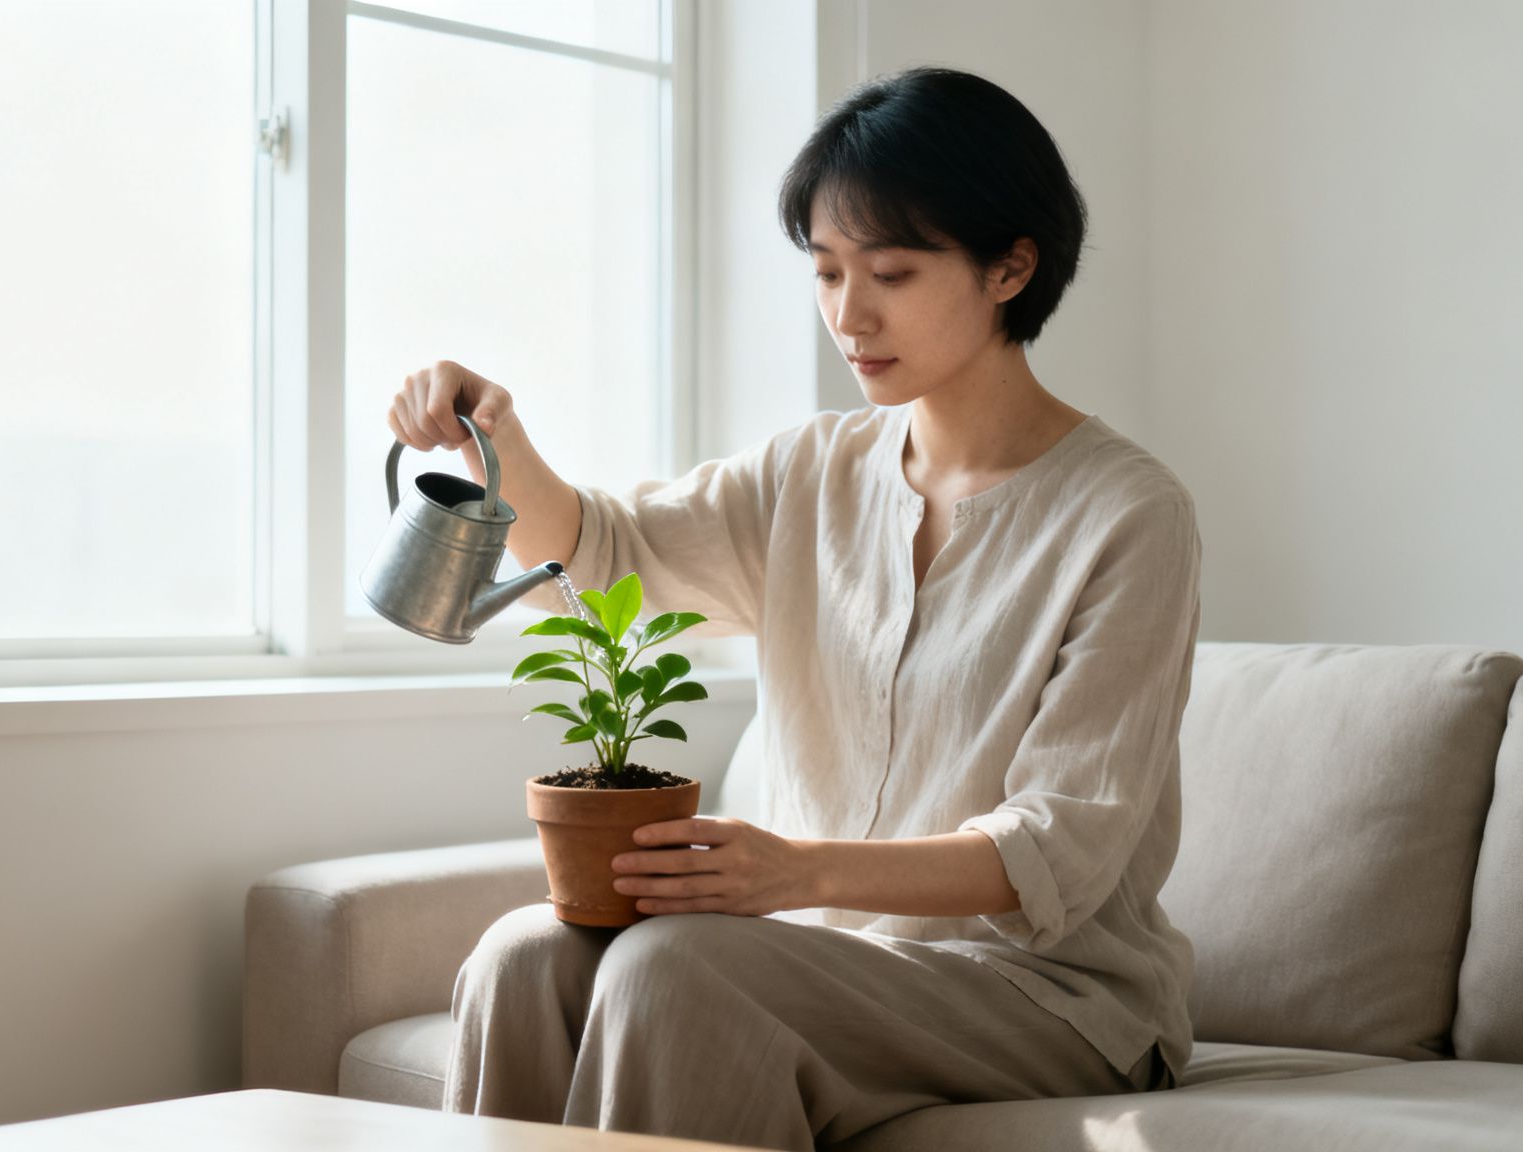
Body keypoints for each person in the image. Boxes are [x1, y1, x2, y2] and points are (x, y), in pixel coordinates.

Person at [385, 65, 1199, 1151]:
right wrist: (497, 438)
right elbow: (608, 556)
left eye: (891, 273)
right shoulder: (808, 470)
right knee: (520, 959)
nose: (847, 315)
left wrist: (794, 870)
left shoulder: (1127, 514)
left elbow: (1058, 847)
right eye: (823, 273)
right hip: (830, 959)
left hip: (1045, 992)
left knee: (676, 968)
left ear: (1011, 266)